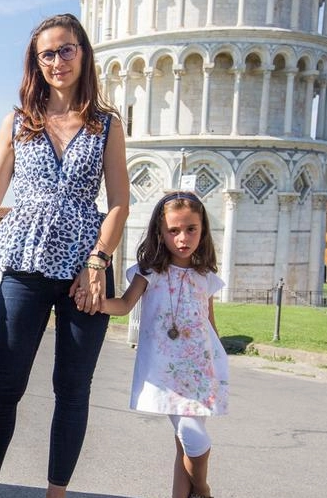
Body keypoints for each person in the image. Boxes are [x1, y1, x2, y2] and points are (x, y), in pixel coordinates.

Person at [0, 13, 129, 497]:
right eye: (47, 54)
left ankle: (56, 492)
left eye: (66, 50)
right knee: (5, 385)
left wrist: (98, 263)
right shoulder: (19, 121)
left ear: (83, 53)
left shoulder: (106, 124)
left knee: (72, 389)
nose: (58, 61)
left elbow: (120, 202)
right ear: (35, 63)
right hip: (25, 261)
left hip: (85, 269)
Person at [99, 191, 228, 498]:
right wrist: (97, 303)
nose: (183, 238)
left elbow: (209, 324)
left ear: (203, 230)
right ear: (160, 233)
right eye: (174, 230)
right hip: (165, 374)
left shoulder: (205, 275)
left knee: (184, 441)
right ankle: (204, 490)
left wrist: (216, 369)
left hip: (198, 372)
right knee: (193, 438)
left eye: (191, 229)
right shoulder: (151, 272)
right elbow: (125, 305)